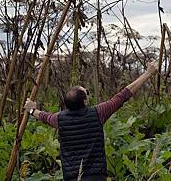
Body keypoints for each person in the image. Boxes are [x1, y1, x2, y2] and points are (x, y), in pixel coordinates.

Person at [24, 62, 157, 180]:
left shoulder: (59, 119)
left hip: (72, 177)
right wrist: (148, 73)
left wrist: (31, 110)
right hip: (97, 176)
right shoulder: (98, 113)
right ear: (85, 100)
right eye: (86, 92)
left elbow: (43, 116)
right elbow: (123, 95)